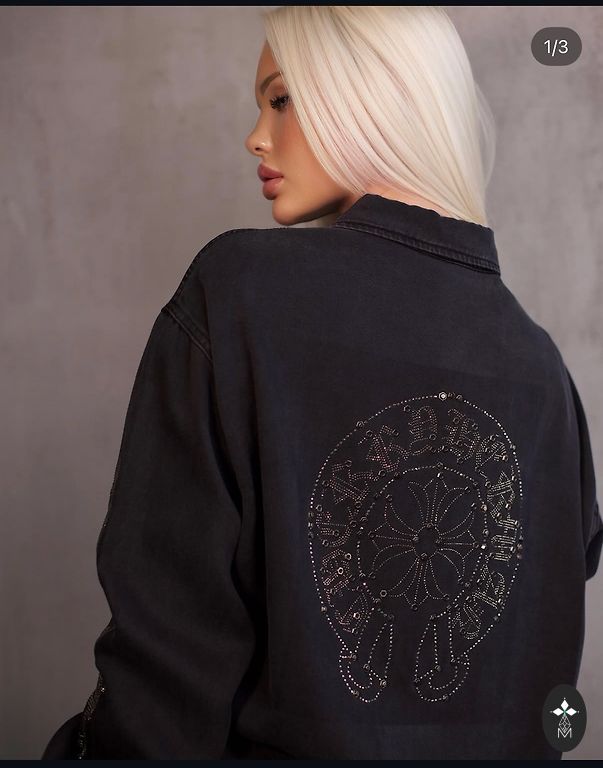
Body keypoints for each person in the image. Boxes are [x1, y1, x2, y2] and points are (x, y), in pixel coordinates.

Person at [42, 6, 601, 760]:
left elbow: (165, 668)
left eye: (280, 98)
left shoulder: (241, 294)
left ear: (371, 94)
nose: (256, 137)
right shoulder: (545, 374)